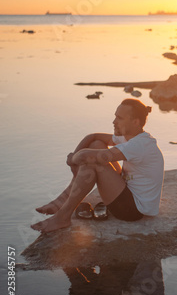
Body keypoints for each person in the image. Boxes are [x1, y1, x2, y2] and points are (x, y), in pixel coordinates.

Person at [32, 99, 164, 233]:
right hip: (127, 191)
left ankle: (62, 216)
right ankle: (64, 200)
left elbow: (85, 157)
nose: (114, 122)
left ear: (135, 122)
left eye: (119, 118)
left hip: (133, 210)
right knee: (97, 145)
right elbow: (93, 137)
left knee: (93, 163)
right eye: (115, 116)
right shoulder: (130, 137)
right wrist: (75, 156)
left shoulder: (138, 145)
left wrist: (73, 159)